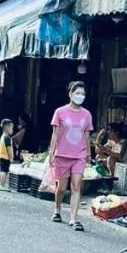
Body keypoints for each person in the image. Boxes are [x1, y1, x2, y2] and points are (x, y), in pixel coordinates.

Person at [48, 81, 94, 230]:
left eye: (83, 94)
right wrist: (51, 153)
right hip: (61, 154)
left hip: (79, 155)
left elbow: (86, 135)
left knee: (76, 186)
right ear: (70, 94)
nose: (80, 96)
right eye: (77, 93)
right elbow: (55, 135)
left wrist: (88, 153)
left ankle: (74, 219)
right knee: (61, 188)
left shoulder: (87, 114)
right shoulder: (60, 112)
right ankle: (57, 210)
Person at [0, 118, 15, 191]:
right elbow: (9, 149)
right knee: (4, 171)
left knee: (2, 171)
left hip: (1, 156)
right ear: (6, 127)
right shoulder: (7, 137)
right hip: (6, 157)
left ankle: (1, 184)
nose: (12, 130)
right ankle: (2, 186)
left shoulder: (3, 136)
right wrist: (11, 157)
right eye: (11, 128)